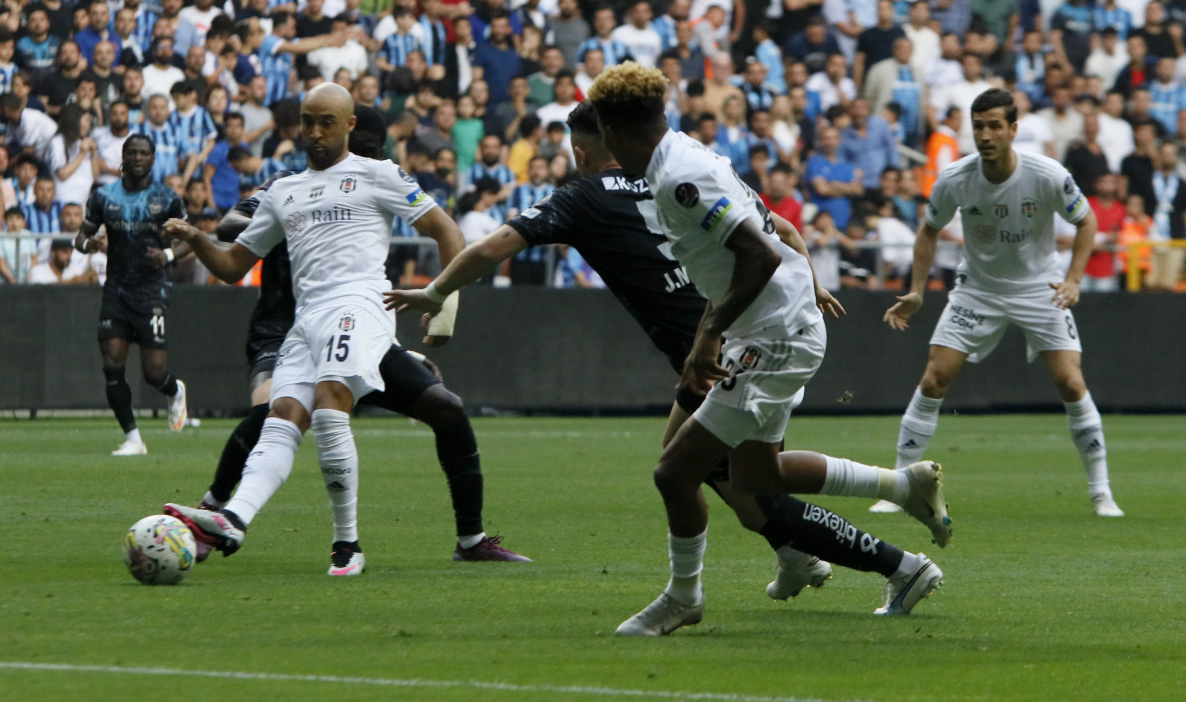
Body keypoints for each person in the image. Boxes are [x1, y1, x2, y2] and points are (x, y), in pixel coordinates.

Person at [385, 100, 947, 618]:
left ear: (583, 149)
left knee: (731, 487)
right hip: (735, 339)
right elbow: (779, 228)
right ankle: (836, 532)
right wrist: (812, 282)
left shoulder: (586, 195)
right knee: (730, 474)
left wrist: (436, 293)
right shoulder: (686, 163)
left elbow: (489, 248)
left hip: (725, 349)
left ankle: (891, 558)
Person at [582, 63, 950, 635]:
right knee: (756, 475)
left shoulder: (679, 178)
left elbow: (761, 255)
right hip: (777, 325)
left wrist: (708, 336)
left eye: (603, 137)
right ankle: (904, 503)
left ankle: (683, 597)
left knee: (675, 472)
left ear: (616, 133)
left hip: (774, 334)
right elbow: (742, 249)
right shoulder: (683, 153)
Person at [188, 106, 528, 565]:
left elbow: (444, 231)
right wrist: (206, 236)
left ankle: (467, 539)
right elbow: (232, 236)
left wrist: (442, 306)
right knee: (276, 414)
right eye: (312, 125)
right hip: (289, 319)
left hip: (357, 319)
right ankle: (222, 510)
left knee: (443, 410)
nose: (361, 152)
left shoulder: (377, 176)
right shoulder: (284, 186)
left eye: (369, 146)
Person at [879, 88, 1123, 519]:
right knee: (935, 379)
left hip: (1040, 288)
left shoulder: (1047, 174)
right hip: (978, 289)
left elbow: (1086, 220)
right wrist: (917, 290)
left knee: (1070, 383)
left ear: (1013, 130)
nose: (986, 135)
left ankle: (1101, 492)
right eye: (978, 126)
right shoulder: (955, 177)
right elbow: (929, 229)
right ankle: (899, 487)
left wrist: (1073, 280)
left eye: (994, 126)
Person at [75, 134, 190, 456]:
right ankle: (132, 438)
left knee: (154, 372)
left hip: (152, 290)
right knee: (112, 363)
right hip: (116, 290)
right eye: (132, 152)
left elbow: (190, 239)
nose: (138, 158)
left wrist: (167, 256)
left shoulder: (167, 198)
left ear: (153, 159)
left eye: (144, 153)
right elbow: (80, 236)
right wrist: (91, 244)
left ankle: (174, 389)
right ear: (123, 158)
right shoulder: (104, 196)